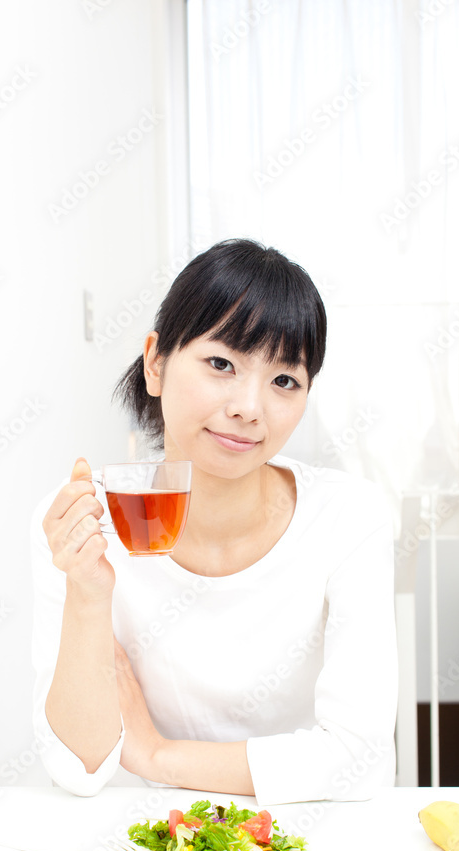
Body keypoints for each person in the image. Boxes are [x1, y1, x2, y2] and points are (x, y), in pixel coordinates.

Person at [30, 237, 398, 804]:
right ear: (156, 363)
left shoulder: (349, 518)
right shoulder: (84, 521)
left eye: (284, 381)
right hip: (146, 846)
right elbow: (78, 768)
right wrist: (87, 594)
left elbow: (361, 761)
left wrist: (156, 755)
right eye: (221, 364)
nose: (250, 407)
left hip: (302, 833)